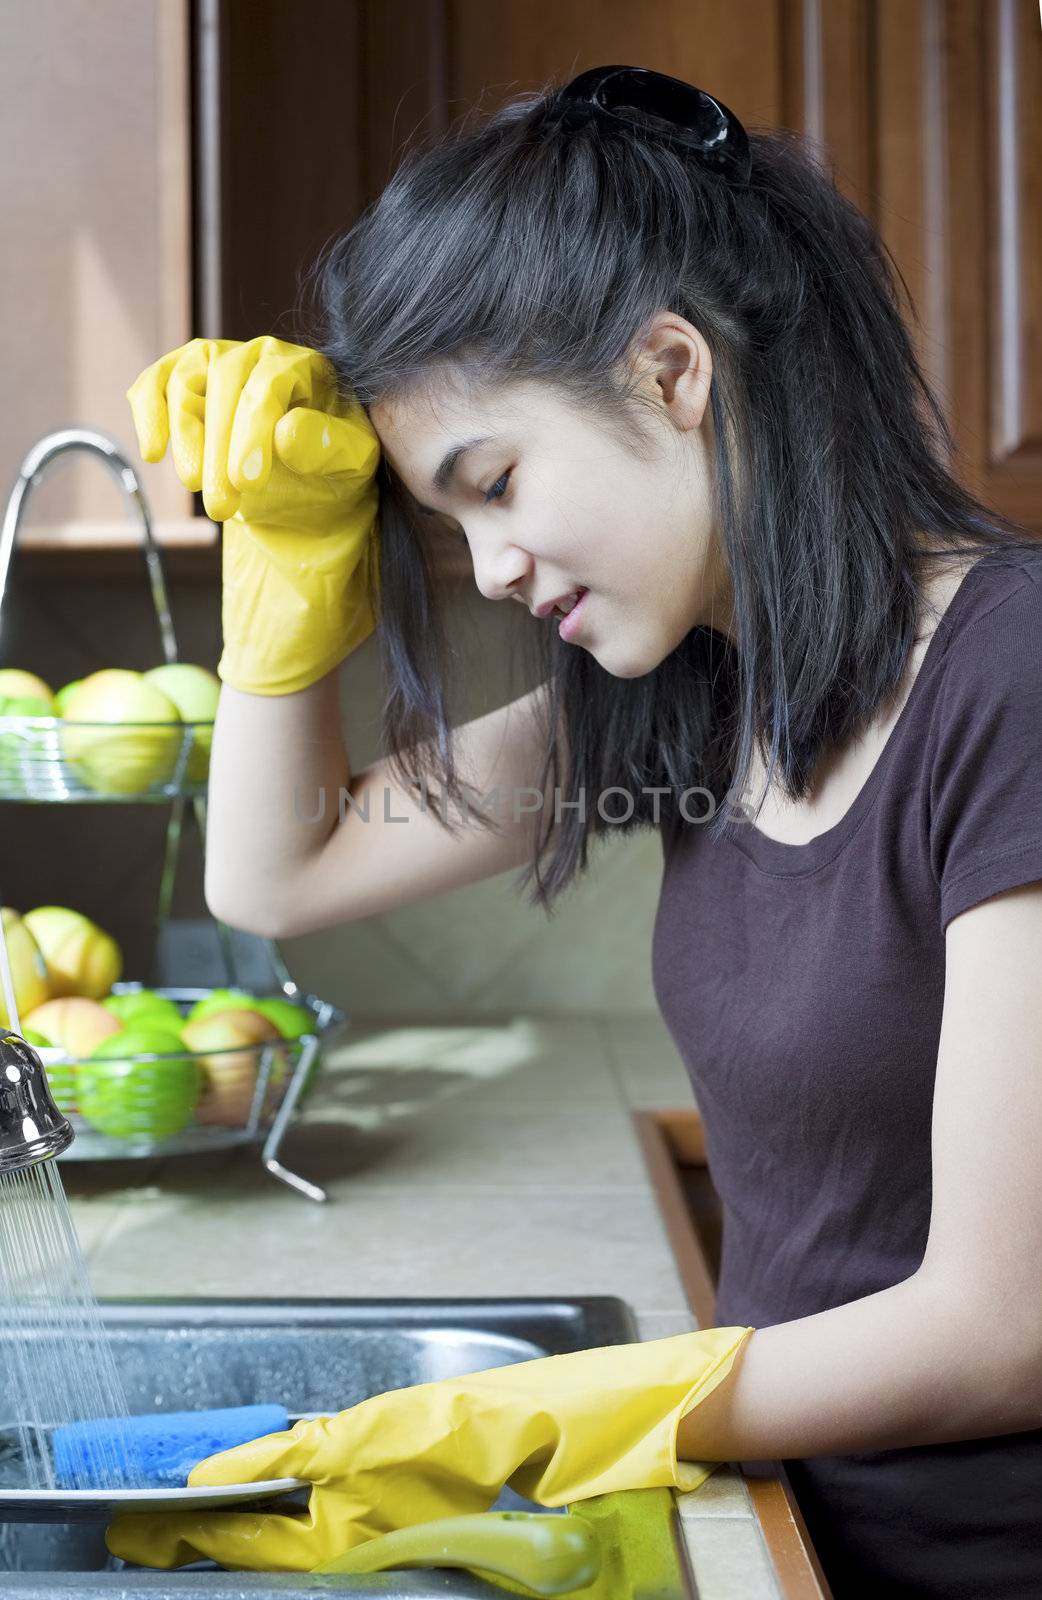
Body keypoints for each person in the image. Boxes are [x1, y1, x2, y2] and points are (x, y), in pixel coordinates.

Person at [113, 66, 1042, 1597]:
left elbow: (1002, 1330)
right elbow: (279, 870)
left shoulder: (1007, 679)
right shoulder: (695, 688)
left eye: (494, 484)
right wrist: (286, 562)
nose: (484, 567)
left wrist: (550, 1412)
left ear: (671, 371)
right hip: (791, 1534)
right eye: (445, 524)